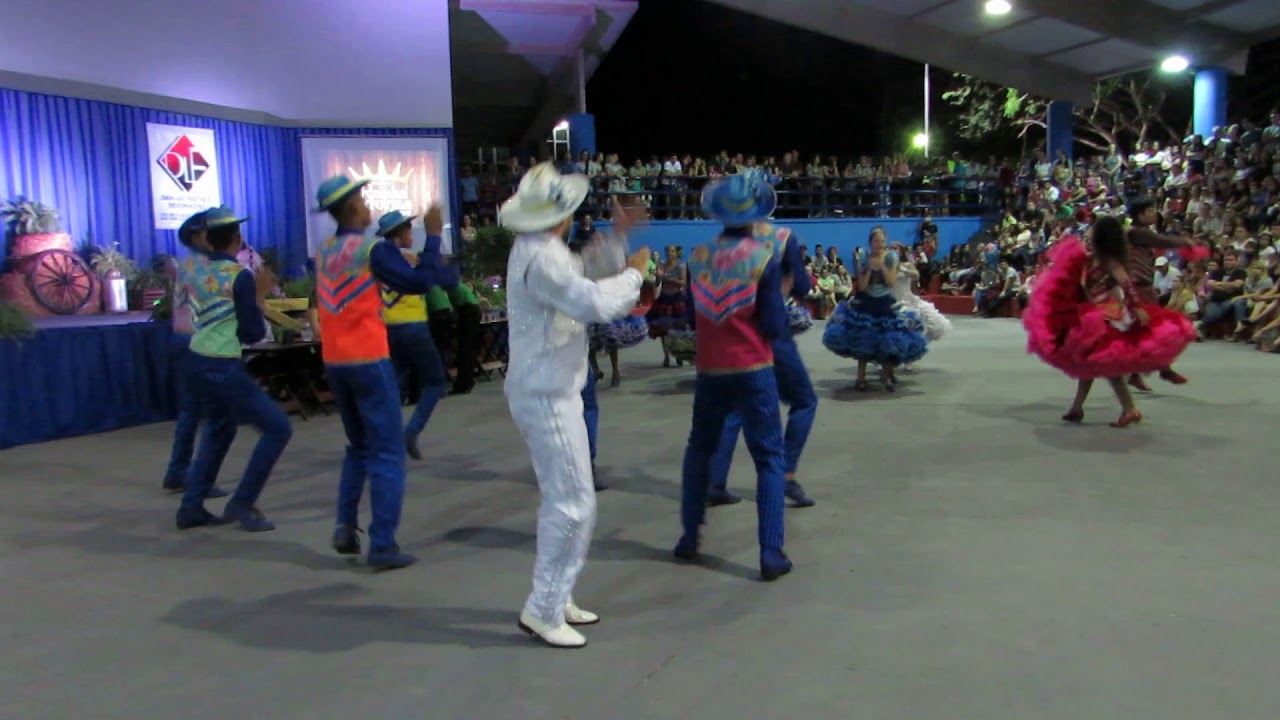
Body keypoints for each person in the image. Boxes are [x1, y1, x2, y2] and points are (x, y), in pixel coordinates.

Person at [501, 163, 649, 649]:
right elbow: (590, 301)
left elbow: (580, 275)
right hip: (546, 393)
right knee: (572, 503)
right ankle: (542, 609)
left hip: (551, 388)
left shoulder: (542, 251)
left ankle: (555, 596)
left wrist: (618, 240)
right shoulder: (542, 257)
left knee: (566, 498)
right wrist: (633, 277)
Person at [314, 175, 457, 570]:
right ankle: (382, 543)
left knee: (357, 446)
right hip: (368, 359)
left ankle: (345, 526)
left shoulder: (325, 249)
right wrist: (432, 237)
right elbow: (416, 283)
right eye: (361, 199)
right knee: (388, 452)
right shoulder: (372, 249)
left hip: (335, 361)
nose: (366, 204)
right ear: (352, 208)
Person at [672, 171, 794, 583]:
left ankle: (689, 536)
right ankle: (771, 551)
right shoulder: (764, 257)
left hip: (710, 369)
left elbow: (692, 316)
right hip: (753, 368)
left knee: (699, 449)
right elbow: (775, 324)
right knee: (769, 458)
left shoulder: (697, 257)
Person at [175, 205, 292, 531]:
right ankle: (242, 502)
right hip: (222, 363)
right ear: (237, 239)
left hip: (195, 360)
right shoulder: (240, 276)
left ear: (208, 240)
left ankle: (191, 506)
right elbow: (252, 333)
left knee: (218, 429)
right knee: (278, 428)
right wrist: (258, 297)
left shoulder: (193, 271)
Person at [1023, 215, 1196, 427]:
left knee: (1105, 364)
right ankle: (1077, 408)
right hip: (1096, 313)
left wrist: (1138, 307)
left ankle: (1129, 409)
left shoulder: (1108, 260)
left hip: (1107, 315)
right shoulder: (1093, 257)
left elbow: (1126, 284)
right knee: (1088, 362)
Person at [704, 201, 817, 509]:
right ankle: (786, 474)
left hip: (732, 335)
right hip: (771, 334)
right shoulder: (782, 238)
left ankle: (714, 481)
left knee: (734, 409)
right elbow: (804, 288)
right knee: (804, 401)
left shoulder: (721, 245)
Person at [376, 210, 458, 461]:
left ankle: (381, 436)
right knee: (435, 382)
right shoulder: (409, 261)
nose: (412, 234)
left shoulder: (383, 261)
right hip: (413, 326)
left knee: (395, 382)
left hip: (389, 327)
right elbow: (446, 281)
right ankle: (410, 431)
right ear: (400, 232)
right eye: (409, 230)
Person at [161, 210, 227, 499]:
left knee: (192, 411)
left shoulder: (187, 264)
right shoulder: (202, 266)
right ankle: (197, 476)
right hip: (197, 340)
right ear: (199, 236)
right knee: (211, 412)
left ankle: (179, 470)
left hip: (184, 338)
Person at [822, 228, 928, 391]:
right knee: (863, 338)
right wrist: (870, 268)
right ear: (870, 242)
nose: (879, 244)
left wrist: (882, 267)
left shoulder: (891, 257)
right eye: (876, 241)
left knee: (887, 339)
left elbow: (891, 283)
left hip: (885, 300)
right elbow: (862, 286)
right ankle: (861, 377)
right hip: (866, 300)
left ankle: (886, 376)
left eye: (882, 241)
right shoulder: (864, 256)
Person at [1126, 198, 1199, 389]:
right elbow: (1162, 240)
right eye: (1150, 210)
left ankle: (1142, 372)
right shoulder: (1137, 232)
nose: (1154, 214)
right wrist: (1185, 241)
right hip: (1138, 288)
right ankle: (1162, 370)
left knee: (1145, 331)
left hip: (1143, 287)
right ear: (1140, 215)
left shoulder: (1138, 233)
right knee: (1153, 329)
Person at [447, 282, 483, 395]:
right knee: (468, 348)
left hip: (467, 310)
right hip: (473, 308)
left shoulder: (440, 280)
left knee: (465, 349)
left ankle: (463, 384)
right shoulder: (452, 278)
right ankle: (468, 381)